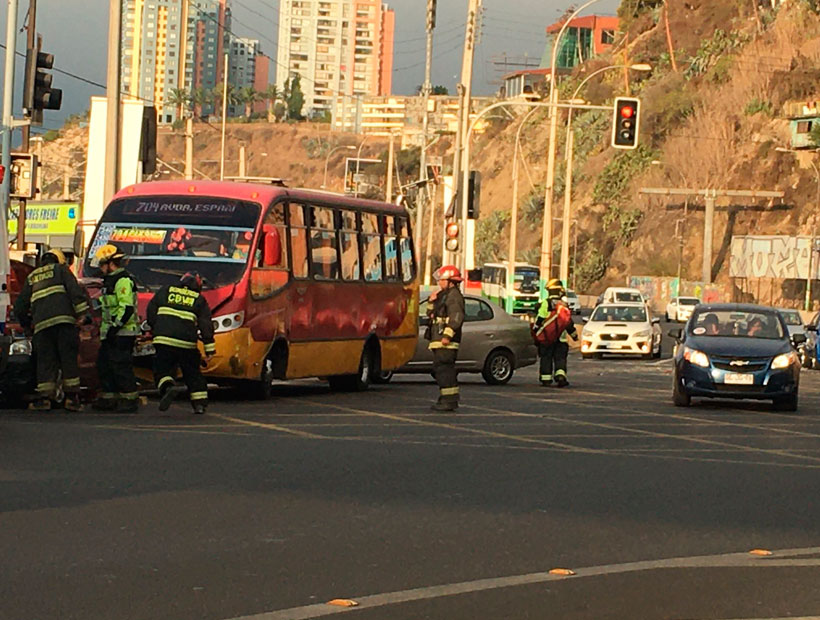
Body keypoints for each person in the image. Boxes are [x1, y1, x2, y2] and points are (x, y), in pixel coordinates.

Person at [14, 248, 89, 411]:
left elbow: (19, 307)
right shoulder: (61, 270)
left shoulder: (32, 277)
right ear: (57, 261)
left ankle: (45, 399)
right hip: (65, 324)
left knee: (46, 362)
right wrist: (82, 314)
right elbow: (74, 291)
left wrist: (27, 326)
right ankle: (71, 399)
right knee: (68, 359)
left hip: (42, 328)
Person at [146, 272, 215, 414]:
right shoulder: (199, 299)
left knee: (162, 369)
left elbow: (151, 311)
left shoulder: (165, 291)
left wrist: (155, 328)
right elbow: (206, 325)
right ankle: (199, 404)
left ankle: (168, 387)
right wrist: (209, 349)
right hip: (186, 343)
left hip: (163, 340)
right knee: (192, 373)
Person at [92, 244, 141, 412]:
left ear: (110, 263)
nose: (100, 268)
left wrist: (115, 328)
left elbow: (126, 308)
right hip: (111, 333)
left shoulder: (123, 280)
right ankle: (109, 398)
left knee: (121, 366)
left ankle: (130, 399)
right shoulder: (110, 281)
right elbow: (105, 304)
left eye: (101, 264)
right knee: (104, 364)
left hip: (123, 333)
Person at [427, 265, 465, 412]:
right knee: (440, 369)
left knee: (444, 370)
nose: (439, 283)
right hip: (438, 339)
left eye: (442, 280)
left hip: (446, 342)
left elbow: (456, 318)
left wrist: (447, 336)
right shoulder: (444, 295)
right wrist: (431, 301)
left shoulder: (454, 296)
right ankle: (448, 398)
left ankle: (448, 400)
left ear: (450, 281)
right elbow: (431, 315)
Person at [533, 279, 578, 388]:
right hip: (561, 339)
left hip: (547, 338)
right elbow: (568, 322)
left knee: (546, 358)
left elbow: (541, 317)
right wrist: (574, 336)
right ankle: (560, 376)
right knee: (560, 359)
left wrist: (535, 329)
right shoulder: (564, 305)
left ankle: (546, 379)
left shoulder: (545, 303)